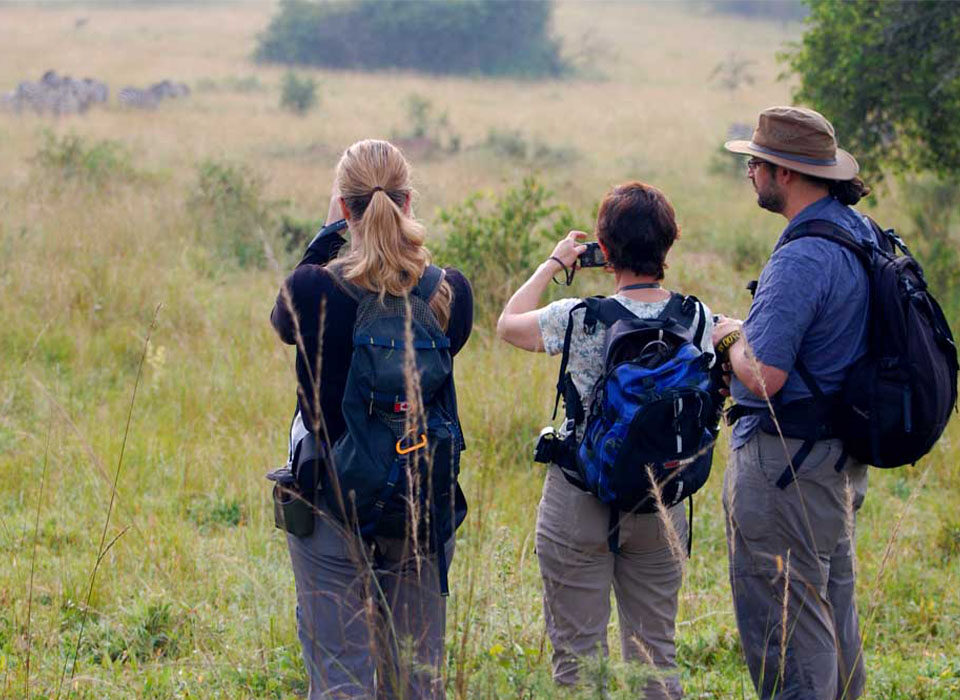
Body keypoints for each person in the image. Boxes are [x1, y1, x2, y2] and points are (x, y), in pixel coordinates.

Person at [270, 139, 473, 699]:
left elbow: (281, 320)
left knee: (341, 680)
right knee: (416, 679)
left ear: (344, 209)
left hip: (331, 496)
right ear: (407, 202)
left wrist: (325, 240)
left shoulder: (314, 288)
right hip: (419, 500)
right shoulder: (449, 292)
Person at [497, 182, 715, 699]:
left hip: (579, 499)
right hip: (663, 499)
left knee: (577, 665)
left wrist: (553, 263)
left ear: (605, 250)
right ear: (667, 245)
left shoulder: (579, 316)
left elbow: (508, 324)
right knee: (656, 657)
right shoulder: (698, 318)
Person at [715, 106, 874, 698]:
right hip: (834, 458)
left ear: (783, 172)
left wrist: (729, 336)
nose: (750, 173)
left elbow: (763, 377)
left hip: (785, 465)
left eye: (755, 163)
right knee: (832, 617)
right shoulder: (859, 230)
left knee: (786, 633)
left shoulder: (803, 255)